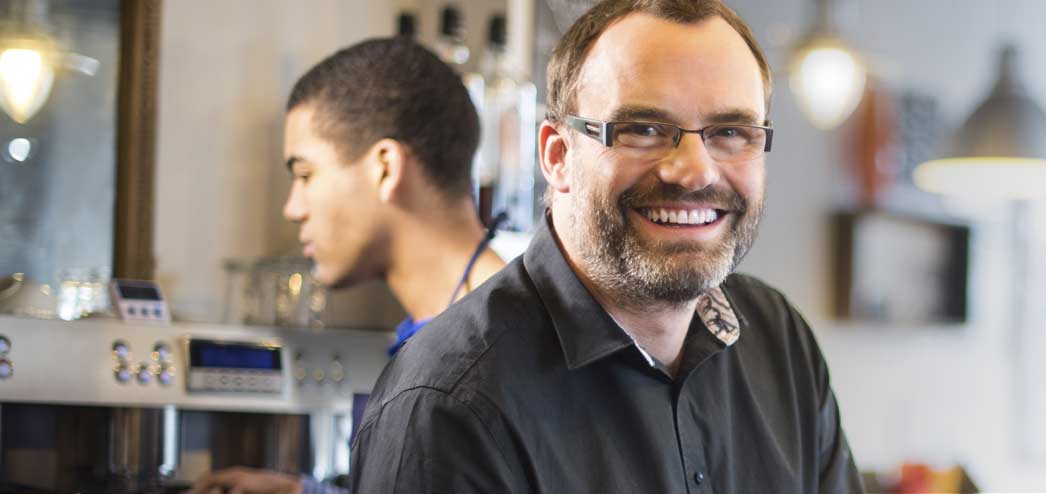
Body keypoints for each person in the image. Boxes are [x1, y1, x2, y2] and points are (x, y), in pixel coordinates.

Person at [348, 1, 862, 492]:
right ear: (557, 156)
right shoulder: (451, 403)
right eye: (642, 129)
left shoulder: (779, 340)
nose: (695, 171)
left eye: (730, 131)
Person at [190, 38, 503, 494]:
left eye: (305, 175)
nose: (293, 208)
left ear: (384, 168)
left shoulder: (479, 364)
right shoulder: (455, 330)